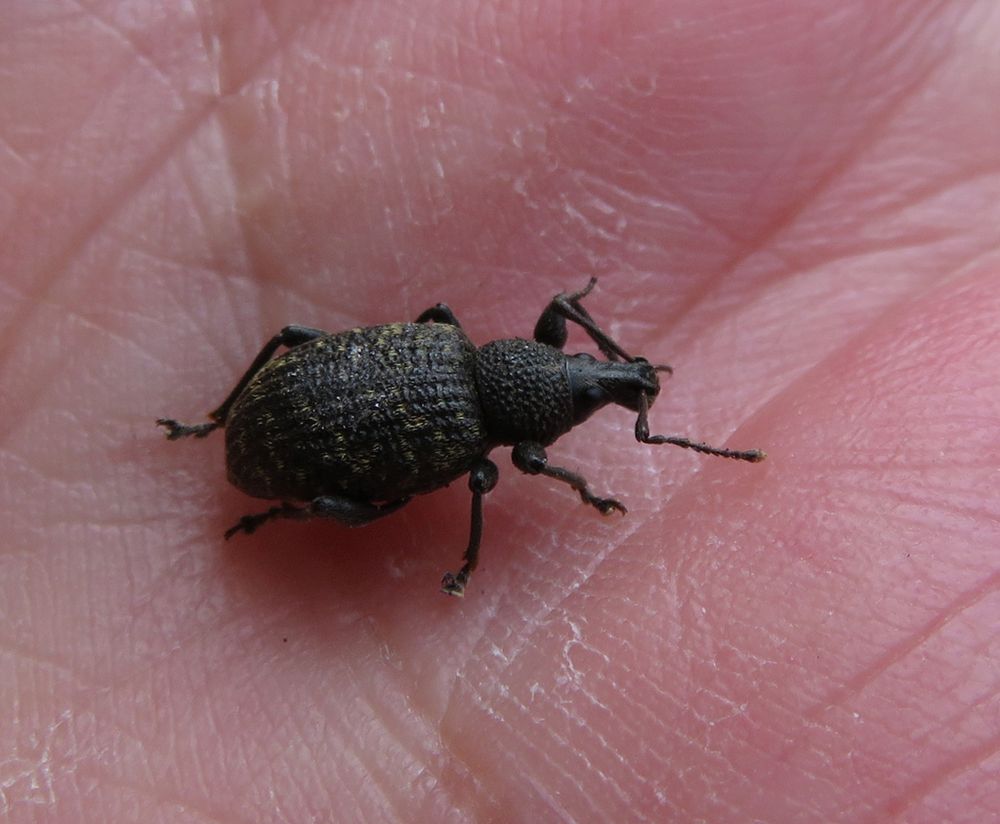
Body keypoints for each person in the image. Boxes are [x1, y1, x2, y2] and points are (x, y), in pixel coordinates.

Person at [2, 2, 997, 821]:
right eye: (592, 382)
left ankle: (223, 435)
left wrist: (620, 375)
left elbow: (561, 327)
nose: (601, 384)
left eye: (592, 387)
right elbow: (527, 431)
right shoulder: (480, 435)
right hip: (288, 437)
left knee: (315, 357)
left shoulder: (462, 352)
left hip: (345, 394)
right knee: (358, 486)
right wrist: (502, 537)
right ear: (541, 395)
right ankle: (266, 489)